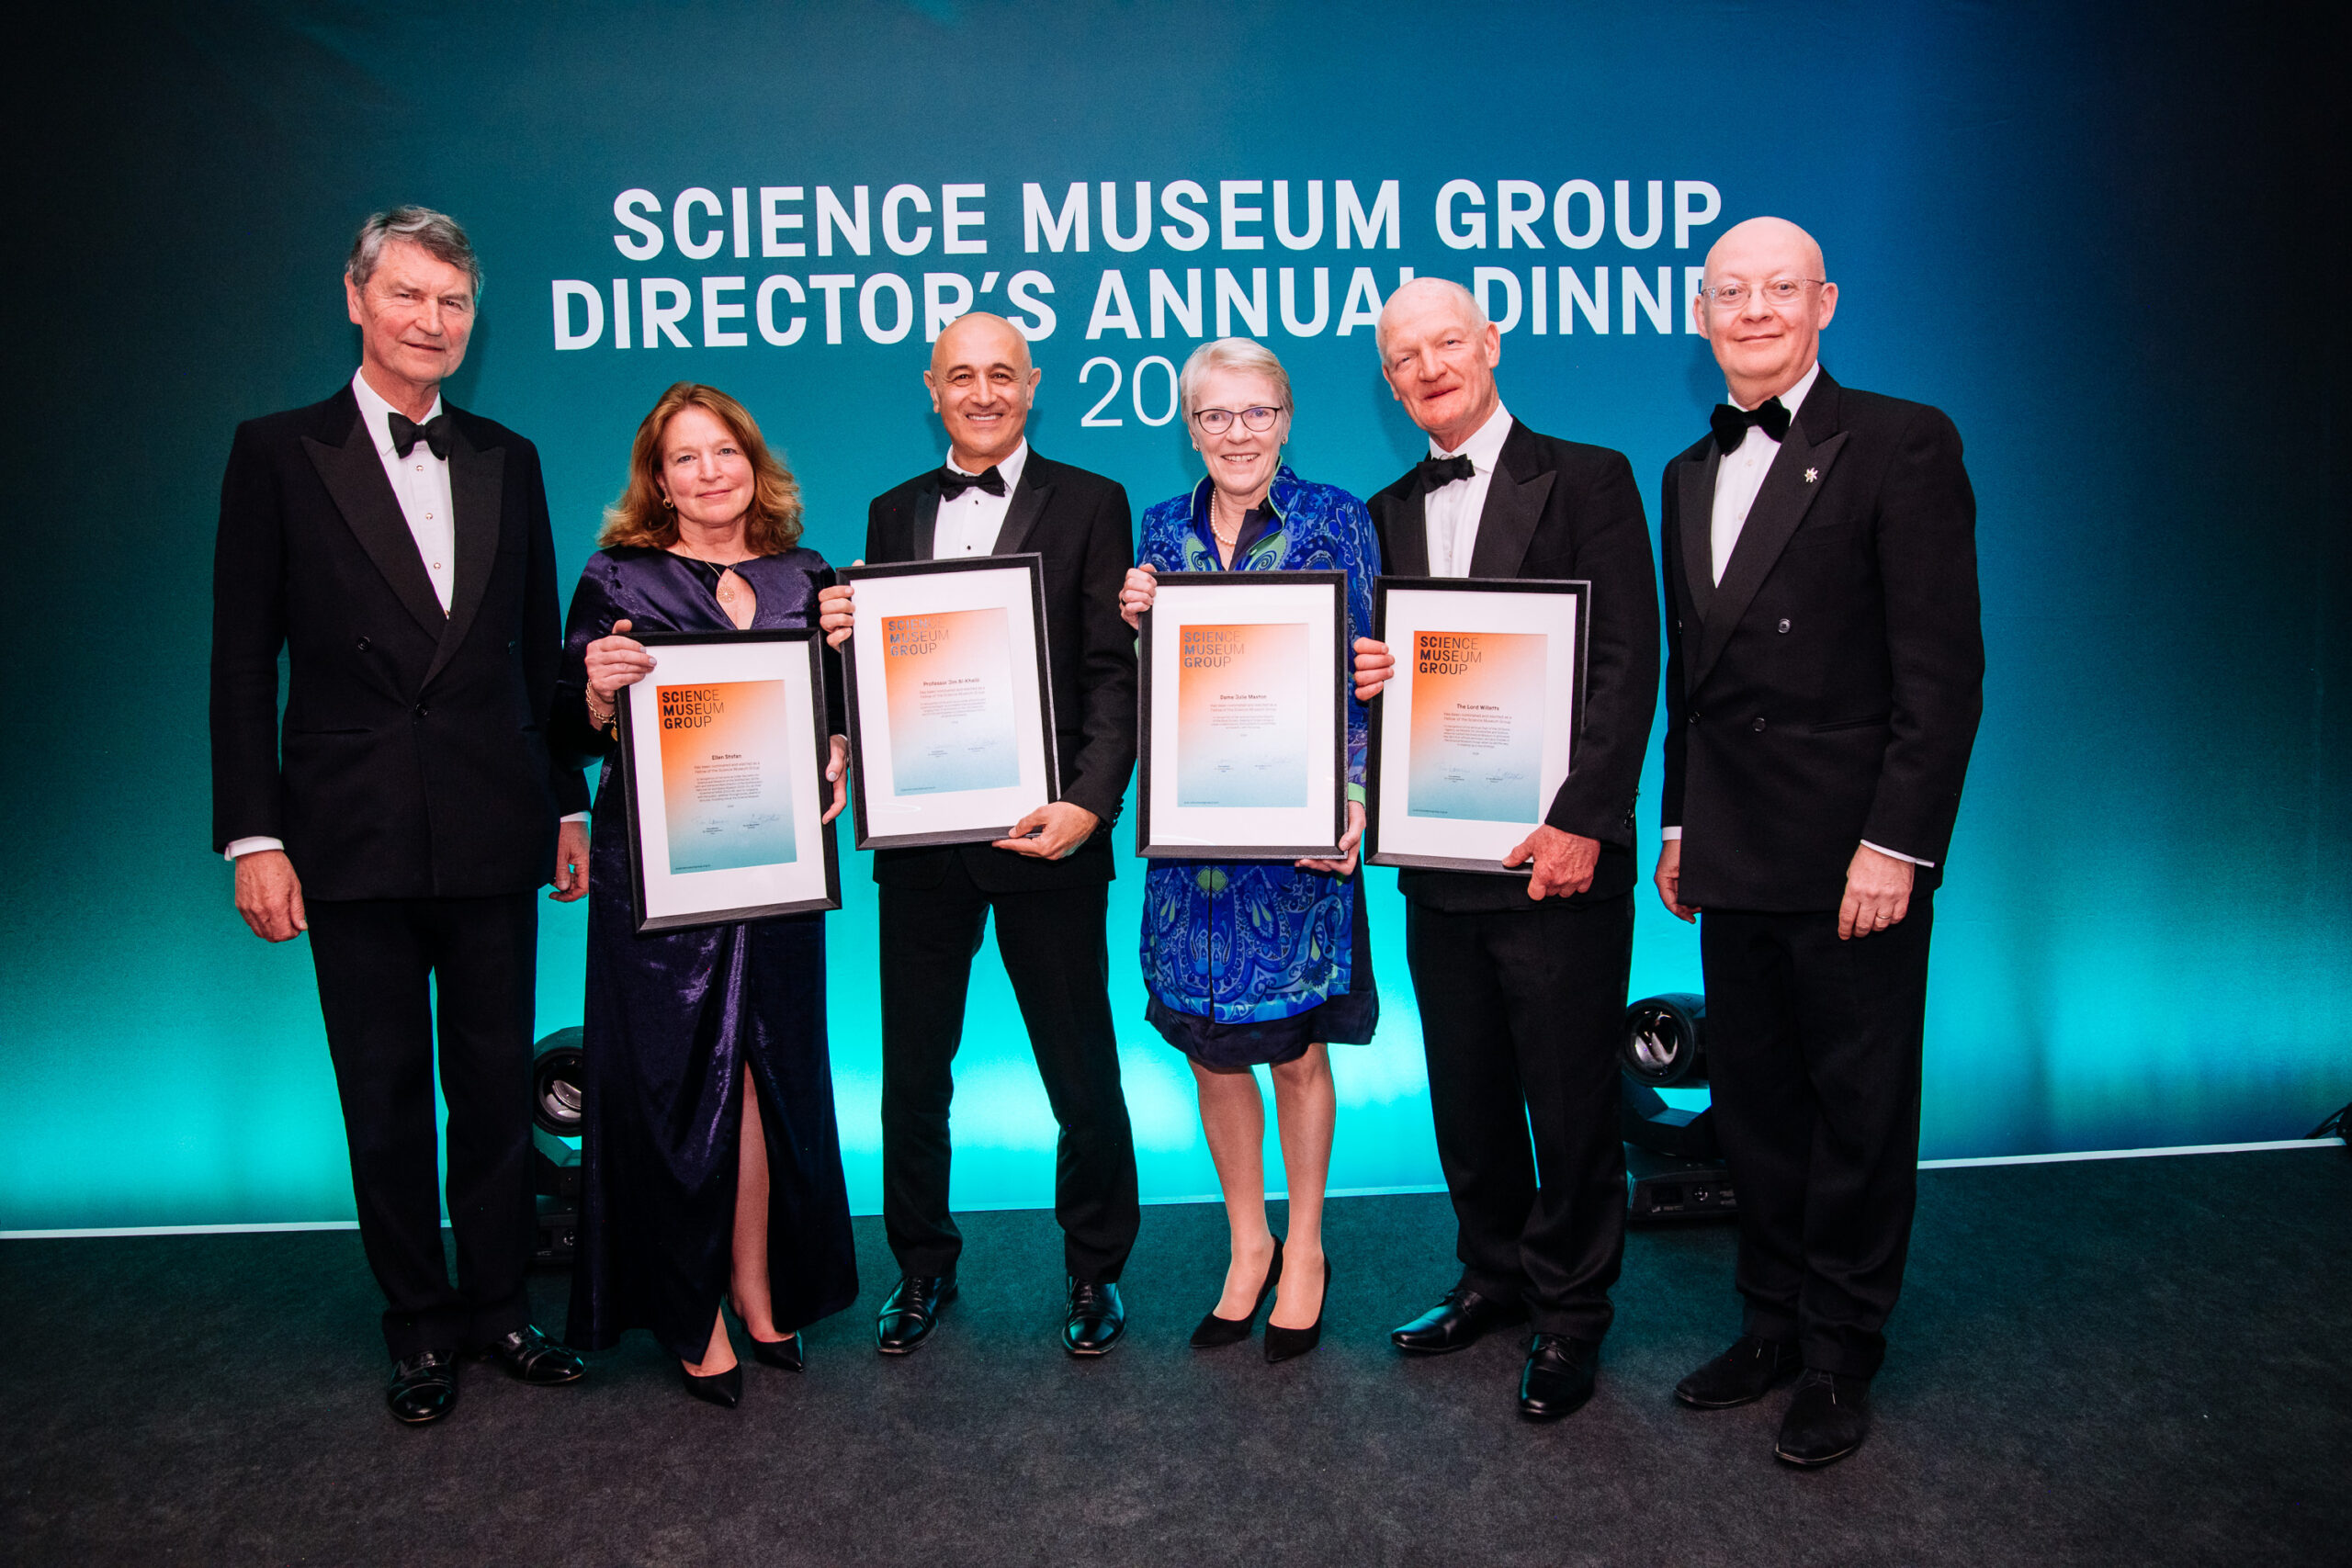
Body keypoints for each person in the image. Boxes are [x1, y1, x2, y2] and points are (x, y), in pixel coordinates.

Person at [209, 206, 590, 1425]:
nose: (433, 321)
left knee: (488, 1086)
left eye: (455, 303)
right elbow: (238, 659)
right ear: (356, 297)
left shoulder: (507, 456)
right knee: (380, 1088)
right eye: (411, 295)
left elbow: (542, 649)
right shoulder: (277, 450)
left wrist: (568, 805)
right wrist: (254, 835)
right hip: (346, 832)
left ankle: (496, 1308)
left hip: (491, 823)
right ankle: (419, 1323)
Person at [1655, 217, 1983, 1467]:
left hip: (1853, 857)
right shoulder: (1687, 472)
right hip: (1733, 850)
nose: (1753, 310)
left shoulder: (1902, 439)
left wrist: (1898, 843)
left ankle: (1844, 1351)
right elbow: (1695, 677)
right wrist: (1678, 821)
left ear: (1826, 301)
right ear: (1699, 311)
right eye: (1730, 291)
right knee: (1758, 1112)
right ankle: (1773, 1321)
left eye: (1778, 289)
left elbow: (1944, 674)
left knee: (1856, 1111)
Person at [1351, 278, 1660, 1420]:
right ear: (1387, 382)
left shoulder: (1589, 477)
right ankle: (1495, 1274)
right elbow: (1376, 682)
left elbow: (1629, 662)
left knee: (1570, 1098)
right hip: (1436, 858)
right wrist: (1365, 679)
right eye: (1403, 359)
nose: (1428, 369)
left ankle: (1574, 1315)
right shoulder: (1382, 511)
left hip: (1556, 854)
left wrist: (1586, 817)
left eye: (1446, 344)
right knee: (1467, 1090)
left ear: (1490, 343)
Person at [817, 312, 1142, 1358]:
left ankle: (1096, 1272)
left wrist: (1090, 803)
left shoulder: (1093, 502)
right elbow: (881, 689)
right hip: (920, 846)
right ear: (932, 388)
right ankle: (920, 1270)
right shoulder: (889, 509)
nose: (984, 392)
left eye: (1002, 374)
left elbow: (1109, 671)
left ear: (1032, 384)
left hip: (1047, 833)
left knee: (1079, 1068)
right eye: (963, 376)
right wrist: (839, 650)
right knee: (911, 1073)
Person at [557, 383, 860, 1408]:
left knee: (770, 1082)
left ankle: (756, 1284)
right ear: (659, 480)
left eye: (723, 450)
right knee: (682, 1088)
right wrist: (597, 689)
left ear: (752, 460)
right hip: (657, 874)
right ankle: (689, 1314)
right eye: (684, 459)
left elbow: (834, 715)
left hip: (774, 871)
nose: (708, 472)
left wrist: (840, 739)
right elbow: (568, 723)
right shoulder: (616, 577)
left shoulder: (806, 575)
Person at [1115, 339, 1380, 1363]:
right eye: (1215, 417)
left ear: (1286, 418)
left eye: (1255, 413)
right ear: (1189, 427)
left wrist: (1352, 801)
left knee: (1296, 1051)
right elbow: (1157, 690)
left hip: (1298, 846)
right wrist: (1137, 625)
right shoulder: (1155, 532)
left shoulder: (1335, 518)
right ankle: (1247, 1241)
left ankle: (1306, 1247)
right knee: (1207, 1048)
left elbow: (1362, 674)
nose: (1237, 434)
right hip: (1194, 853)